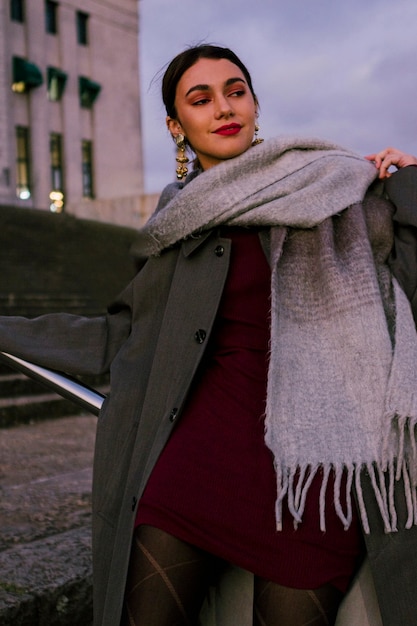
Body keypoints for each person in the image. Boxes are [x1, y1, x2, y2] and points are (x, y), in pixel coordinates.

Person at [0, 45, 417, 626]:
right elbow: (123, 335)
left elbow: (409, 282)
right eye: (201, 99)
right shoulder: (178, 225)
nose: (224, 108)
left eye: (236, 91)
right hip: (199, 462)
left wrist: (411, 187)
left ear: (253, 103)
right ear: (177, 126)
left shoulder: (336, 187)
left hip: (317, 470)